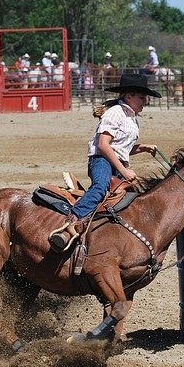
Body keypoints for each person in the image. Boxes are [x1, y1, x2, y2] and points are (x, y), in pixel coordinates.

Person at [48, 73, 161, 252]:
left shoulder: (132, 118)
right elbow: (103, 145)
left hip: (114, 161)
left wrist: (143, 148)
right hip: (101, 160)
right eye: (142, 97)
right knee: (100, 187)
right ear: (128, 96)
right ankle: (71, 220)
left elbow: (120, 147)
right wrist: (124, 171)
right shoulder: (116, 113)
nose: (145, 101)